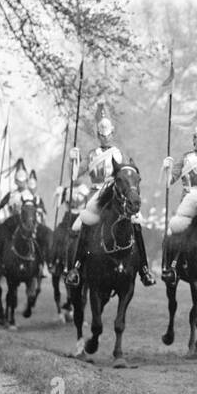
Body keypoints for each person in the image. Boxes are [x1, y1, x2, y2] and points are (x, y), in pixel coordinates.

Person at [64, 103, 155, 288]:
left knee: (136, 223)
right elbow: (75, 176)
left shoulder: (119, 155)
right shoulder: (91, 155)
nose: (105, 138)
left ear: (112, 134)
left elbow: (126, 178)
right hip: (96, 196)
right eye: (102, 135)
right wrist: (72, 159)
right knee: (84, 224)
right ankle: (77, 267)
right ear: (98, 135)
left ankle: (144, 268)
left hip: (114, 195)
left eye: (108, 135)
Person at [161, 114, 197, 283]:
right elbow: (170, 181)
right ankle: (170, 266)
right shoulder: (186, 158)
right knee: (173, 233)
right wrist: (167, 168)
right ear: (193, 140)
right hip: (187, 202)